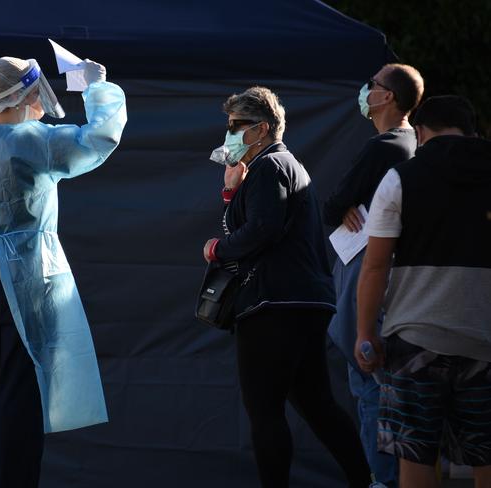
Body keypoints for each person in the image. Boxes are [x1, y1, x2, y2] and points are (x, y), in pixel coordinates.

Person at [0, 56, 127, 487]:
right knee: (20, 391)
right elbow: (99, 138)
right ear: (24, 95)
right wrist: (98, 89)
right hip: (27, 278)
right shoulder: (34, 141)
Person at [203, 86, 378, 487]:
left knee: (265, 410)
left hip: (274, 304)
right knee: (317, 405)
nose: (229, 132)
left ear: (261, 128)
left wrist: (217, 249)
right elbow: (261, 225)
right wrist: (231, 191)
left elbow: (260, 230)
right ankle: (367, 480)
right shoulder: (281, 165)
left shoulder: (269, 166)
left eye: (236, 125)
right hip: (302, 302)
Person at [355, 95, 491, 488]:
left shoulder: (401, 178)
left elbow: (376, 265)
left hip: (415, 339)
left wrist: (366, 333)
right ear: (473, 132)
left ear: (421, 132)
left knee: (415, 454)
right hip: (485, 338)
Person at [323, 63, 424, 487]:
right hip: (390, 284)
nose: (366, 90)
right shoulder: (411, 143)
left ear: (388, 98)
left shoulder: (385, 147)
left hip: (368, 277)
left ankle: (381, 479)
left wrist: (340, 207)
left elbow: (333, 205)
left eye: (374, 85)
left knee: (369, 384)